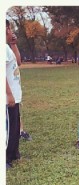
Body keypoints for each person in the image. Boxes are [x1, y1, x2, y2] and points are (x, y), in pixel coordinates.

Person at [6, 19, 22, 169]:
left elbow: (18, 62)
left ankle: (14, 153)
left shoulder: (7, 47)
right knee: (8, 128)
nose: (11, 31)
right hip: (7, 97)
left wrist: (14, 44)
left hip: (15, 96)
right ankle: (5, 158)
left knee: (15, 126)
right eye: (9, 28)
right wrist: (9, 94)